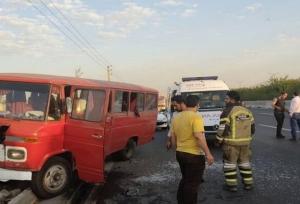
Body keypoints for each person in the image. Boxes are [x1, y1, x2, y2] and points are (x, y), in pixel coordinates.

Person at [171, 95, 214, 204]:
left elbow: (173, 137)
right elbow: (199, 137)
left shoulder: (176, 117)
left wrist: (178, 149)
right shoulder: (196, 117)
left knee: (186, 179)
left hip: (180, 153)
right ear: (197, 104)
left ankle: (180, 201)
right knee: (192, 184)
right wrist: (208, 154)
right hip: (194, 155)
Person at [216, 91, 255, 192]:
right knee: (245, 163)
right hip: (246, 144)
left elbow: (222, 128)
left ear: (232, 99)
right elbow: (253, 128)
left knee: (230, 165)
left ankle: (232, 186)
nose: (225, 100)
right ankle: (248, 184)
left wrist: (218, 140)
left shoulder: (227, 111)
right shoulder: (247, 111)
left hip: (231, 144)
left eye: (226, 98)